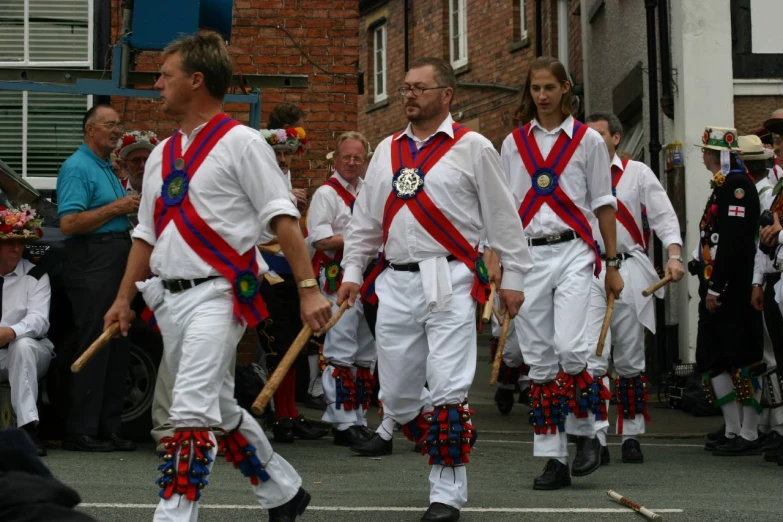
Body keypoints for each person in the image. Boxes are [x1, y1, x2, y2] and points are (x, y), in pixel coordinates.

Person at [102, 32, 331, 521]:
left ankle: (173, 516)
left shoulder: (244, 144)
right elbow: (145, 235)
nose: (158, 84)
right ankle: (282, 491)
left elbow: (282, 220)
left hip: (219, 295)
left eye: (166, 75)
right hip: (169, 300)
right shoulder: (162, 155)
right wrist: (124, 299)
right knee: (219, 408)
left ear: (197, 80)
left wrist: (309, 290)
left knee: (188, 411)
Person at [338, 56, 532, 522]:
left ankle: (446, 493)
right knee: (399, 396)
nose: (408, 95)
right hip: (395, 281)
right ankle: (437, 426)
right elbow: (364, 223)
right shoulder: (385, 150)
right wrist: (350, 272)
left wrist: (515, 279)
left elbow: (504, 221)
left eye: (419, 88)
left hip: (450, 279)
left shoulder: (474, 148)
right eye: (404, 87)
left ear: (447, 95)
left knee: (448, 387)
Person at [499, 57, 623, 490]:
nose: (542, 95)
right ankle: (553, 458)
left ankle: (588, 433)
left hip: (574, 251)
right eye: (535, 88)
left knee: (572, 350)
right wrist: (500, 264)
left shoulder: (588, 141)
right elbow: (505, 208)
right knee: (539, 362)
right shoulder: (514, 143)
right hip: (529, 256)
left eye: (550, 87)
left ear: (566, 89)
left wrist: (612, 263)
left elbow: (604, 202)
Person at [583, 112, 684, 464]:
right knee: (592, 358)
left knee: (629, 358)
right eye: (587, 134)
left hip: (627, 269)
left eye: (599, 134)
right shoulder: (575, 174)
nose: (592, 140)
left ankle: (630, 435)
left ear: (616, 138)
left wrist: (674, 254)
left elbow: (664, 217)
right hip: (587, 269)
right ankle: (594, 435)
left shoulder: (637, 173)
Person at [56, 104, 139, 453]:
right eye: (110, 125)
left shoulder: (106, 166)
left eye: (119, 125)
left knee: (118, 340)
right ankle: (81, 430)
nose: (118, 131)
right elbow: (69, 224)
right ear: (91, 129)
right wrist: (116, 208)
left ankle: (109, 427)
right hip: (92, 259)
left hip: (116, 255)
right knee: (96, 340)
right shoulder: (77, 167)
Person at [693, 126, 763, 457]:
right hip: (717, 284)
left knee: (739, 359)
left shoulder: (736, 185)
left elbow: (734, 243)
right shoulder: (722, 185)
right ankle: (734, 428)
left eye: (708, 150)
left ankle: (748, 432)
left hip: (732, 288)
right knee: (713, 359)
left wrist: (717, 287)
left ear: (719, 154)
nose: (703, 155)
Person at [256, 125, 328, 443]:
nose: (283, 159)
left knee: (296, 346)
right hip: (265, 271)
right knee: (278, 346)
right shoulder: (259, 180)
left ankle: (290, 414)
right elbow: (258, 213)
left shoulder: (282, 180)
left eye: (287, 153)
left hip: (290, 273)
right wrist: (287, 198)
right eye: (278, 153)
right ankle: (282, 417)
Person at [307, 131, 376, 448]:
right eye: (346, 157)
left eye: (357, 158)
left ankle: (358, 418)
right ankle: (341, 421)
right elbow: (321, 239)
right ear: (336, 159)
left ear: (365, 161)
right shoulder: (326, 193)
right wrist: (361, 241)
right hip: (336, 277)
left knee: (365, 351)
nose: (351, 162)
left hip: (367, 275)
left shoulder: (370, 191)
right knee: (341, 346)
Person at [0, 207, 53, 457]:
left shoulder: (36, 274)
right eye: (10, 243)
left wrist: (11, 332)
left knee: (22, 346)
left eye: (20, 243)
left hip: (30, 352)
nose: (17, 249)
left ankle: (28, 430)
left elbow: (39, 320)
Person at [115, 130, 160, 195]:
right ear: (125, 165)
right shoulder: (116, 188)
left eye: (147, 160)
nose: (142, 166)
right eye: (136, 160)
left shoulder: (161, 188)